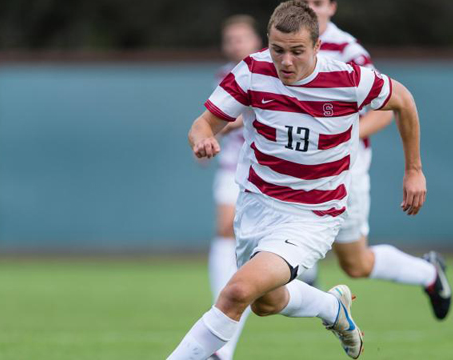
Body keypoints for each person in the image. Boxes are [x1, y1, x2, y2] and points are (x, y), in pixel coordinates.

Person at [168, 1, 425, 359]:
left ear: (317, 47)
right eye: (278, 50)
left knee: (236, 293)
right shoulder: (252, 71)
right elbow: (202, 124)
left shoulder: (348, 78)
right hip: (256, 206)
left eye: (297, 52)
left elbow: (404, 101)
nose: (286, 62)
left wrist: (413, 169)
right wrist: (202, 139)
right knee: (265, 302)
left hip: (313, 214)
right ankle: (332, 309)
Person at [303, 0, 452, 321]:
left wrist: (339, 137)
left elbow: (386, 110)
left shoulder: (348, 51)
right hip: (299, 168)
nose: (309, 9)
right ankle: (303, 277)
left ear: (332, 6)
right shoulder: (285, 48)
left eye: (316, 2)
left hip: (344, 170)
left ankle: (427, 273)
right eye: (303, 2)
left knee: (355, 263)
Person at [206, 15, 262, 360]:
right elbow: (214, 117)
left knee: (256, 251)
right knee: (225, 231)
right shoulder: (224, 76)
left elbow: (254, 113)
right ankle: (220, 320)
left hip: (266, 170)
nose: (236, 43)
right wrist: (206, 138)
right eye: (231, 38)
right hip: (232, 167)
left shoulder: (270, 71)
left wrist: (223, 125)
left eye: (242, 37)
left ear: (256, 40)